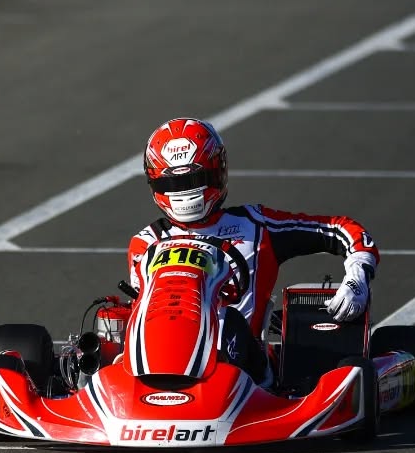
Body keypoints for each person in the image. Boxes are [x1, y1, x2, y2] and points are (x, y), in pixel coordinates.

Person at [126, 116, 379, 386]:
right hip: (163, 364)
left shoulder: (255, 226)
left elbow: (340, 228)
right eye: (174, 185)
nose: (186, 192)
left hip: (246, 376)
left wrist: (357, 278)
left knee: (229, 320)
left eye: (196, 179)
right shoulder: (146, 242)